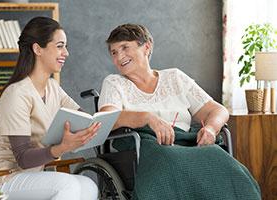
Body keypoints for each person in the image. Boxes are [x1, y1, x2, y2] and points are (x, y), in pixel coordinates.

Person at [98, 23, 261, 199]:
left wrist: (211, 128)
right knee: (169, 161)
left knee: (221, 160)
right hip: (149, 148)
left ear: (146, 47)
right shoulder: (114, 83)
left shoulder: (175, 78)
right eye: (114, 52)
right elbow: (108, 118)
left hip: (187, 143)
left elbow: (217, 110)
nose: (119, 56)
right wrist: (147, 118)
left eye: (125, 47)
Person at [0, 17, 100, 200]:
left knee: (88, 185)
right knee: (68, 185)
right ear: (37, 49)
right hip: (0, 177)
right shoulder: (16, 94)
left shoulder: (53, 88)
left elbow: (83, 119)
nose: (66, 52)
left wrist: (93, 127)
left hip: (29, 175)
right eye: (60, 46)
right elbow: (23, 158)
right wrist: (61, 147)